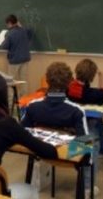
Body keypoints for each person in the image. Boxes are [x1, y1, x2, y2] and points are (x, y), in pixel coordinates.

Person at [21, 62, 96, 194]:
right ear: (69, 83)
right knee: (93, 139)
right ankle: (87, 187)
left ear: (47, 80)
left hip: (40, 151)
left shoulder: (33, 106)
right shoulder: (76, 111)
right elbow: (83, 144)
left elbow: (22, 131)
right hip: (65, 156)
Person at [69, 58, 103, 155]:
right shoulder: (89, 94)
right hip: (81, 124)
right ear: (91, 76)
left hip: (69, 120)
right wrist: (101, 74)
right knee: (95, 119)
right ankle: (93, 151)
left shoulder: (68, 87)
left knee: (97, 118)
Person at [1, 14, 32, 97]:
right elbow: (29, 31)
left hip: (14, 60)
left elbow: (4, 46)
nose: (7, 26)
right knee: (24, 81)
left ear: (10, 23)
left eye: (7, 24)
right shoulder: (24, 30)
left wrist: (4, 39)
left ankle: (10, 102)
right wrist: (20, 25)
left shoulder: (9, 33)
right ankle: (24, 101)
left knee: (10, 81)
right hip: (25, 59)